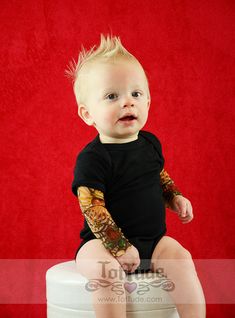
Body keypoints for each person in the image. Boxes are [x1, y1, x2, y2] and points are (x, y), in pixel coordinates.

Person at [66, 34, 206, 318]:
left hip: (152, 241)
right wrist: (117, 246)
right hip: (101, 244)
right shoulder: (93, 158)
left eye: (136, 94)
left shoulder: (150, 144)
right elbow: (92, 209)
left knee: (181, 258)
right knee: (106, 273)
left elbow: (159, 176)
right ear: (87, 113)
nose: (127, 103)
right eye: (111, 96)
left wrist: (174, 196)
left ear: (148, 102)